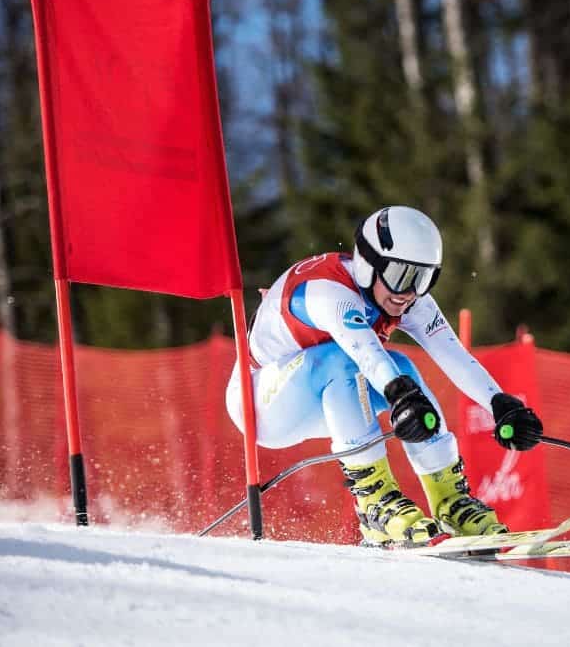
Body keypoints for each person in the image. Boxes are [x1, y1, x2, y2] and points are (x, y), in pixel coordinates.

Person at [225, 206, 543, 547]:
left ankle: (450, 500)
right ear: (369, 264)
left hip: (327, 394)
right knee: (345, 360)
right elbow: (365, 352)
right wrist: (400, 396)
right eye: (400, 275)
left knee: (404, 368)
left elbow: (454, 357)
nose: (408, 291)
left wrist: (501, 405)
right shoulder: (329, 292)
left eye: (422, 278)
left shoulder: (403, 297)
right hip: (260, 402)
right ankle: (375, 503)